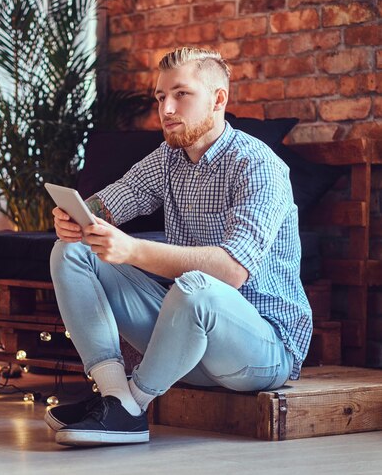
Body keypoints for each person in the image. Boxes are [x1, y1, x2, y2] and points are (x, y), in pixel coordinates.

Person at [45, 46, 312, 447]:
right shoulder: (169, 158)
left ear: (218, 99)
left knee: (197, 287)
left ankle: (131, 407)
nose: (166, 109)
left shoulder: (259, 166)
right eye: (160, 97)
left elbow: (231, 271)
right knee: (72, 251)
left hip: (261, 352)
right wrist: (77, 217)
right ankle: (116, 398)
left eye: (181, 95)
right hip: (185, 346)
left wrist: (131, 250)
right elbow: (111, 201)